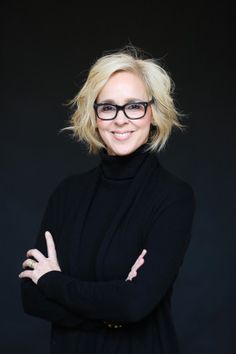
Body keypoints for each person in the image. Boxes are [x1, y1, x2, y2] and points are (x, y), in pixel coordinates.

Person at [19, 46, 196, 354]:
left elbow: (132, 305)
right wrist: (110, 312)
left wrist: (53, 281)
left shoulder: (173, 197)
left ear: (153, 112)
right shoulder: (67, 193)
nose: (120, 119)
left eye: (134, 106)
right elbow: (31, 297)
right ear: (95, 115)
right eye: (108, 107)